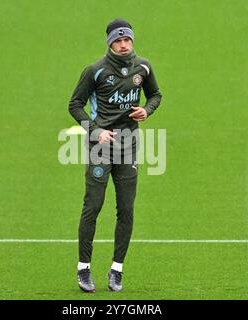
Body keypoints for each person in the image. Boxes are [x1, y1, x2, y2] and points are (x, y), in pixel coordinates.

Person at [68, 18, 162, 292]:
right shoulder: (95, 70)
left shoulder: (142, 67)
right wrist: (95, 131)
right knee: (93, 206)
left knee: (127, 209)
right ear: (110, 43)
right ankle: (84, 268)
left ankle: (116, 270)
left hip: (128, 145)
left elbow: (155, 94)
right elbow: (75, 104)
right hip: (100, 147)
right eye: (118, 41)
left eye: (127, 40)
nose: (123, 45)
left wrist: (148, 110)